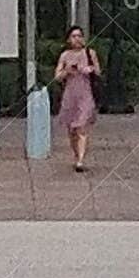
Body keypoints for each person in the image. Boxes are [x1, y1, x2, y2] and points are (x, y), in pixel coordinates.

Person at [54, 25, 101, 173]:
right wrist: (67, 70)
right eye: (74, 36)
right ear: (68, 39)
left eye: (79, 36)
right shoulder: (65, 55)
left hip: (85, 94)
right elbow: (57, 76)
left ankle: (81, 160)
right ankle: (76, 154)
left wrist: (89, 69)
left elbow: (98, 71)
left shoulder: (90, 53)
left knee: (82, 127)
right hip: (70, 95)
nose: (77, 39)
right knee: (72, 129)